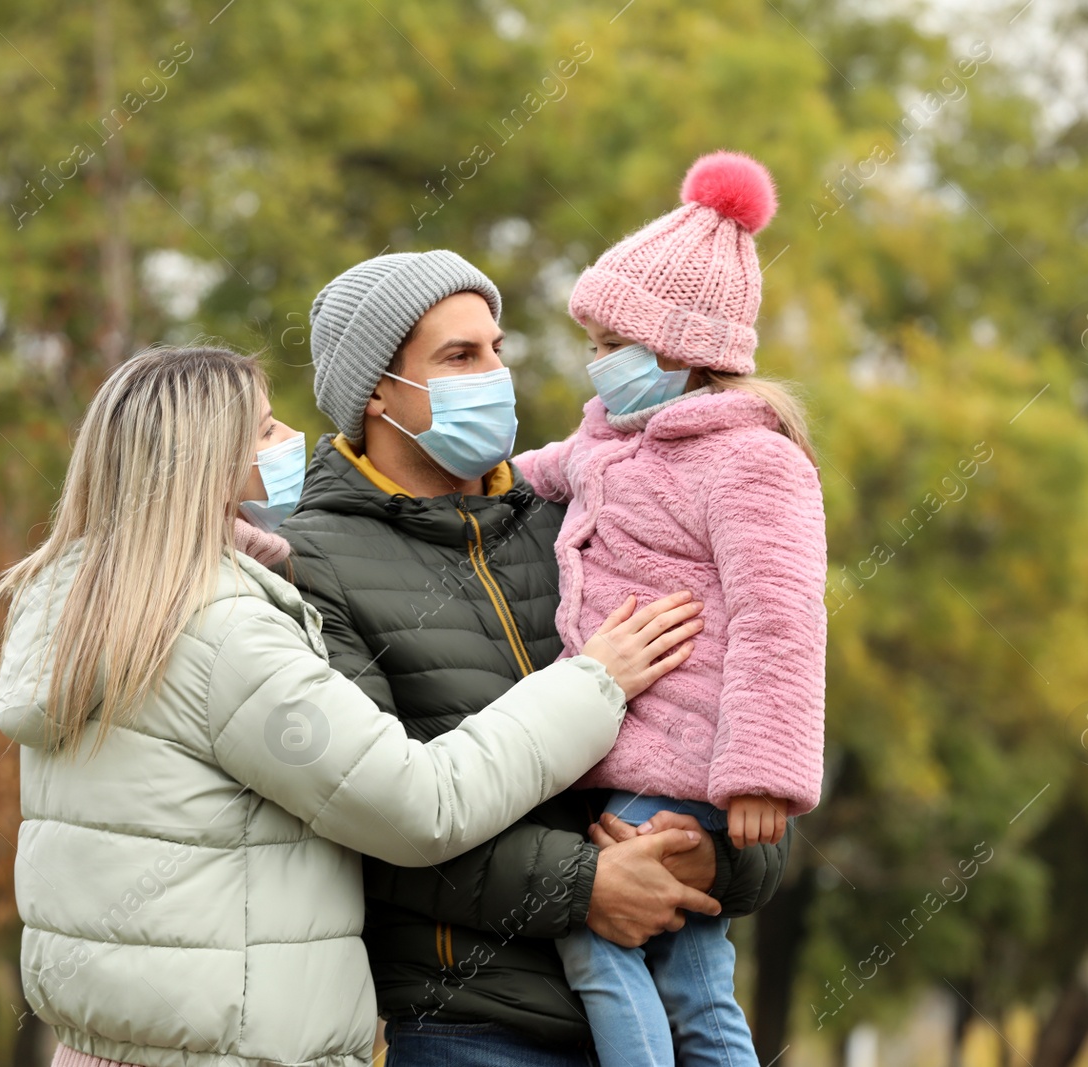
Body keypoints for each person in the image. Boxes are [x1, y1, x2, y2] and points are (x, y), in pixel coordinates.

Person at [0, 345, 708, 1067]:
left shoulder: (86, 614)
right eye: (263, 430)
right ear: (202, 467)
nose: (296, 440)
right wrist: (594, 681)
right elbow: (420, 804)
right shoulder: (221, 633)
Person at [280, 251, 793, 1066]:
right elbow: (367, 818)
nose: (495, 373)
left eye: (497, 347)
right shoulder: (308, 564)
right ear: (377, 389)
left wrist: (720, 854)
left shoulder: (576, 515)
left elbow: (728, 714)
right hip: (474, 1028)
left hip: (660, 1002)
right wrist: (587, 888)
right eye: (459, 356)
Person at [512, 151, 828, 1067]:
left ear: (679, 347)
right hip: (631, 749)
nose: (596, 362)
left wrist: (763, 770)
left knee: (598, 933)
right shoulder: (611, 438)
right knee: (693, 980)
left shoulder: (751, 460)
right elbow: (536, 473)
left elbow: (782, 613)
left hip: (694, 756)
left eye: (611, 343)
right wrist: (469, 480)